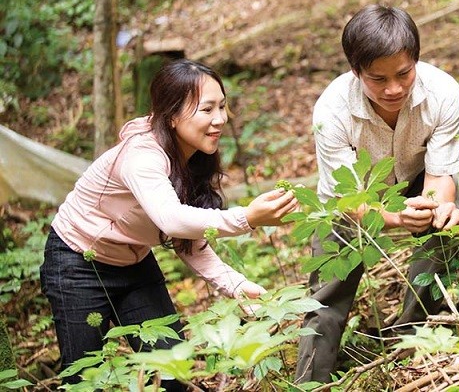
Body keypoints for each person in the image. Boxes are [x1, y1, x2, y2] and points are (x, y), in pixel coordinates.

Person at [39, 59, 299, 390]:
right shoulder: (142, 156)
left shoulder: (194, 155)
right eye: (207, 110)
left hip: (133, 262)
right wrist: (246, 218)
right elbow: (171, 219)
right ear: (173, 115)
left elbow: (187, 236)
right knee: (82, 379)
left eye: (222, 106)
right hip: (77, 261)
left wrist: (234, 284)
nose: (219, 119)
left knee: (173, 371)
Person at [295, 5, 459, 384]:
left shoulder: (443, 92)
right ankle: (312, 380)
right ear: (355, 72)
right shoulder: (332, 110)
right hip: (351, 198)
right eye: (378, 79)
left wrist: (440, 206)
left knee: (444, 234)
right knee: (327, 292)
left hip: (416, 178)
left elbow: (441, 175)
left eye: (404, 74)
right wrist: (394, 218)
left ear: (416, 60)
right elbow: (348, 199)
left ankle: (414, 340)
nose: (394, 89)